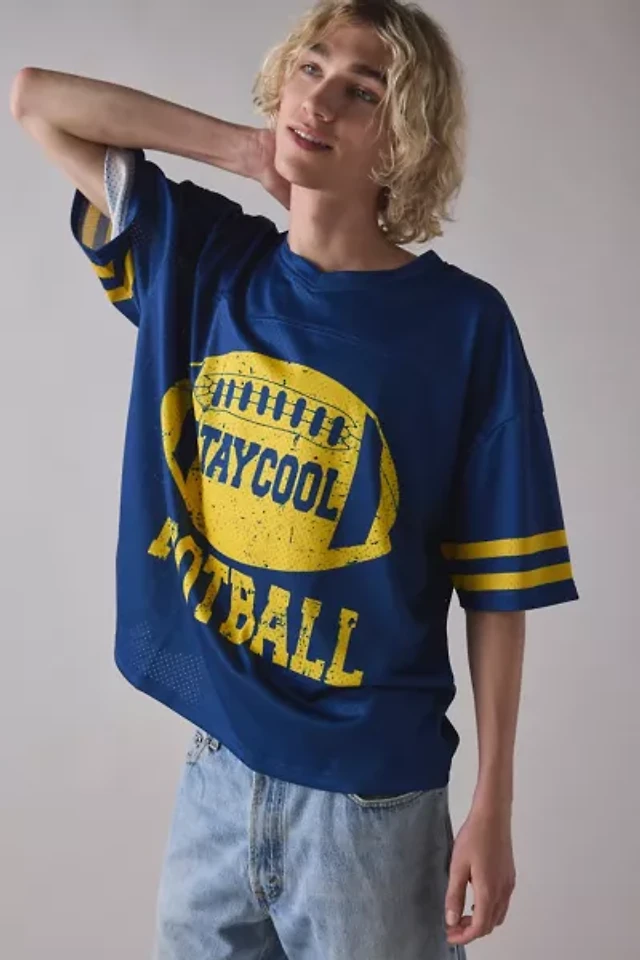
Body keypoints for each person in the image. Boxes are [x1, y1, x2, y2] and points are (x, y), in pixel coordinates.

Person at [11, 1, 579, 957]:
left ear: (404, 138)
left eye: (365, 92)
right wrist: (240, 149)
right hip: (218, 767)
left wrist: (494, 802)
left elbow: (497, 587)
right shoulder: (199, 259)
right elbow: (36, 101)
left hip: (370, 804)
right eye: (311, 69)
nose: (321, 101)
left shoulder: (461, 326)